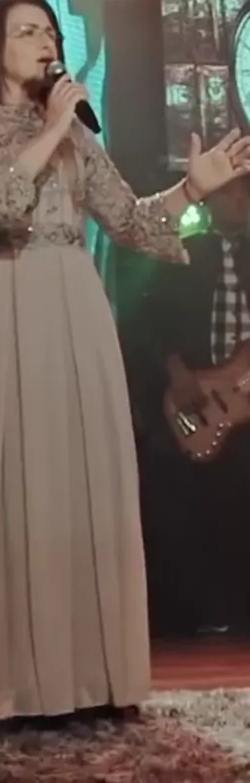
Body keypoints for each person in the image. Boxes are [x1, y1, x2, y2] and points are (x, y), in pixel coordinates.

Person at [0, 0, 250, 722]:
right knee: (13, 481)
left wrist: (192, 191)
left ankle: (85, 680)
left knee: (79, 481)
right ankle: (4, 682)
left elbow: (131, 221)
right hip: (4, 307)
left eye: (50, 31)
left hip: (74, 307)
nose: (46, 42)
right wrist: (50, 128)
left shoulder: (75, 135)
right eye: (28, 31)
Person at [141, 176, 250, 633]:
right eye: (228, 193)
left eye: (243, 194)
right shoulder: (184, 252)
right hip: (196, 394)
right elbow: (147, 317)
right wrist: (177, 370)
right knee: (198, 510)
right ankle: (199, 612)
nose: (238, 201)